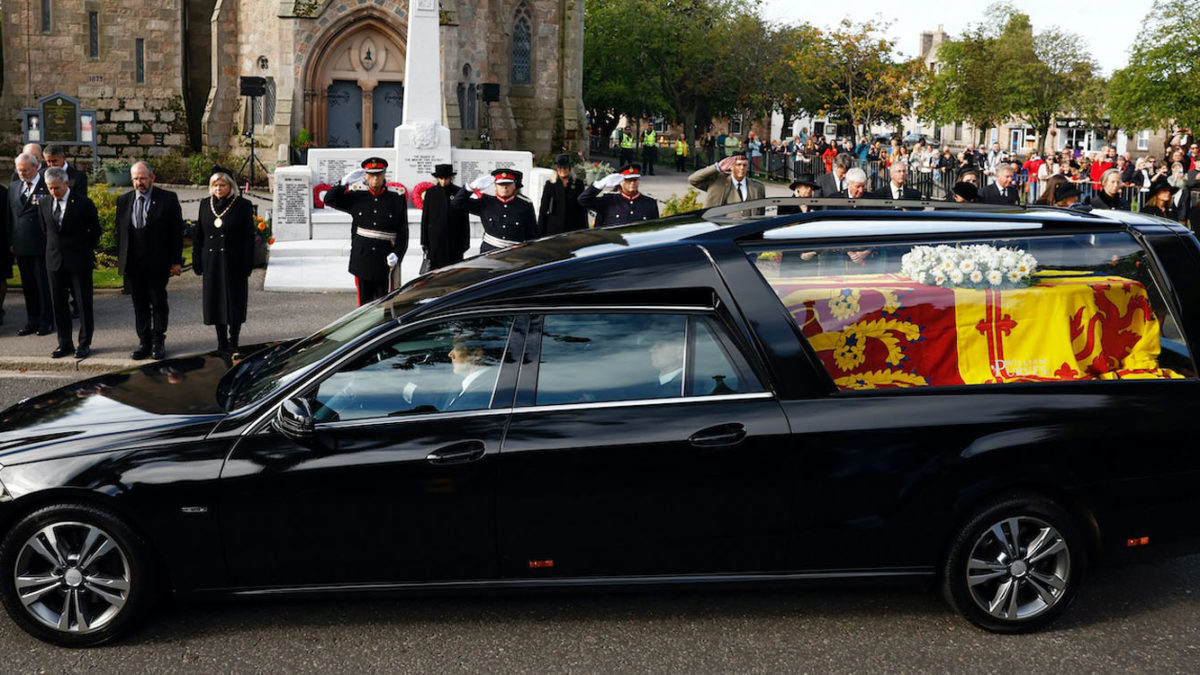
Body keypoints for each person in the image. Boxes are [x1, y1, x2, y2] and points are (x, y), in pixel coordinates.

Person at [116, 161, 184, 360]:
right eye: (136, 179)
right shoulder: (124, 200)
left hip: (157, 262)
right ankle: (143, 341)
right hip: (133, 264)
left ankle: (158, 342)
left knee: (158, 301)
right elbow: (120, 232)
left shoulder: (167, 199)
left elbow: (176, 233)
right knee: (139, 304)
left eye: (143, 178)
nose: (140, 183)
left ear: (152, 177)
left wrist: (176, 261)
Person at [324, 157, 409, 305]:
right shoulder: (357, 196)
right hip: (362, 260)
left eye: (378, 175)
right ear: (366, 176)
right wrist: (343, 183)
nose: (375, 179)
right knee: (363, 306)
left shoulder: (396, 198)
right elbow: (329, 199)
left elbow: (403, 232)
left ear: (384, 175)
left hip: (385, 262)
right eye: (371, 175)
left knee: (386, 305)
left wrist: (397, 253)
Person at [193, 167, 256, 353]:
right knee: (215, 301)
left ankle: (234, 337)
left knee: (234, 301)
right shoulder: (205, 204)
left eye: (222, 185)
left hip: (234, 261)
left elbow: (248, 238)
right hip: (212, 261)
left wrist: (247, 264)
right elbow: (199, 236)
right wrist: (197, 260)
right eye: (215, 185)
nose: (219, 189)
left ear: (231, 186)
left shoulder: (243, 205)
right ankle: (221, 341)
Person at [40, 167, 100, 359]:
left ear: (66, 183)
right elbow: (46, 230)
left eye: (56, 188)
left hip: (78, 262)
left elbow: (95, 231)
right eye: (50, 188)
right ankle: (64, 343)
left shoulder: (83, 203)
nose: (53, 192)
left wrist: (82, 249)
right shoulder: (44, 203)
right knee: (59, 304)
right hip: (54, 261)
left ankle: (84, 343)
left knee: (83, 304)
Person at [7, 153, 54, 336]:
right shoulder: (14, 187)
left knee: (43, 285)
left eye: (25, 170)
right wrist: (10, 241)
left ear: (36, 168)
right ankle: (31, 320)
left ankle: (46, 321)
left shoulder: (46, 186)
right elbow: (9, 216)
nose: (22, 173)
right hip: (20, 245)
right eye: (19, 170)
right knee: (28, 287)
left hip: (41, 245)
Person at [453, 168, 538, 253]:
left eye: (508, 184)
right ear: (495, 186)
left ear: (514, 186)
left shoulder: (525, 205)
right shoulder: (486, 202)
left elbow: (533, 234)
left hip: (515, 254)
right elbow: (456, 204)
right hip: (489, 252)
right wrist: (470, 188)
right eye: (501, 184)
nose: (505, 187)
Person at [419, 164, 470, 271]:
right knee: (436, 273)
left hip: (454, 240)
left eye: (446, 178)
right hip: (435, 241)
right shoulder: (431, 193)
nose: (443, 181)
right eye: (441, 178)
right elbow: (425, 218)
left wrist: (465, 242)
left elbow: (464, 219)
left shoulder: (458, 192)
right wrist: (424, 241)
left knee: (454, 272)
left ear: (450, 178)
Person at [578, 163, 660, 226]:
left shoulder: (649, 203)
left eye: (635, 180)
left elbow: (655, 230)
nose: (632, 183)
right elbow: (583, 200)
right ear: (621, 182)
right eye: (628, 180)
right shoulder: (609, 201)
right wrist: (600, 184)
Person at [688, 153, 765, 214]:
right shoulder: (717, 182)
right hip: (721, 229)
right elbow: (693, 179)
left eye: (744, 165)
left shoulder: (757, 187)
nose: (742, 168)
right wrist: (717, 167)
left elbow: (761, 213)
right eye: (738, 165)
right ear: (731, 167)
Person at [538, 154, 587, 236]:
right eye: (560, 168)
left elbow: (582, 209)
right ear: (556, 169)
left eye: (565, 167)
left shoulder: (578, 184)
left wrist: (584, 230)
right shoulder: (550, 184)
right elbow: (543, 209)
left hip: (573, 229)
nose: (563, 170)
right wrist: (539, 232)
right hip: (553, 230)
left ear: (569, 168)